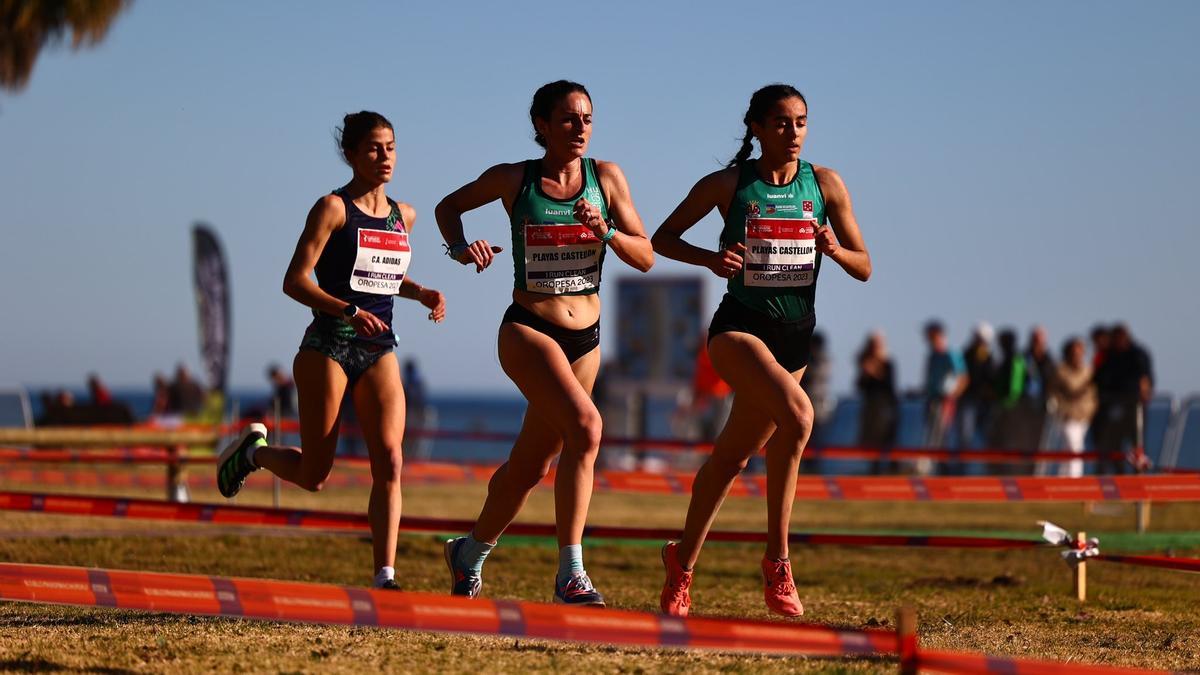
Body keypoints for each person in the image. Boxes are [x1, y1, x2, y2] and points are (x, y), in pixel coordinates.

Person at [650, 84, 870, 617]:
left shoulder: (825, 184)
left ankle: (681, 564)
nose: (792, 132)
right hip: (738, 332)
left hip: (795, 341)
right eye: (779, 123)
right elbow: (662, 238)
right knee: (799, 417)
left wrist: (834, 248)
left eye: (800, 122)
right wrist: (711, 259)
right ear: (755, 127)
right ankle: (778, 560)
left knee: (730, 458)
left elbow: (865, 265)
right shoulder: (729, 185)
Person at [435, 80, 653, 606]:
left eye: (587, 119)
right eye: (568, 120)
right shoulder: (514, 179)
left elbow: (644, 256)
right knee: (587, 426)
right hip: (529, 329)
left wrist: (606, 232)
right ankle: (570, 574)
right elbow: (448, 207)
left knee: (532, 466)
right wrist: (463, 250)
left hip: (587, 339)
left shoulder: (607, 178)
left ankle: (469, 552)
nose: (580, 129)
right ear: (541, 125)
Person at [215, 111, 447, 590]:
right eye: (373, 149)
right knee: (315, 474)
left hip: (379, 348)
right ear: (351, 155)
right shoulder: (332, 208)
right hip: (328, 346)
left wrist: (421, 291)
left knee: (391, 459)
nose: (385, 157)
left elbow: (379, 274)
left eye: (391, 147)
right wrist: (345, 311)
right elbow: (294, 281)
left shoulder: (405, 215)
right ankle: (253, 453)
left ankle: (385, 575)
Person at [1094, 324, 1153, 474]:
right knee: (1114, 446)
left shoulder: (1138, 354)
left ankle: (1138, 478)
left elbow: (1145, 379)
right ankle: (1120, 479)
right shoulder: (1109, 356)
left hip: (1134, 406)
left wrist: (1144, 393)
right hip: (1113, 406)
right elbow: (1101, 378)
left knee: (1137, 445)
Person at [1048, 337, 1097, 477]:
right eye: (1074, 352)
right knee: (1075, 448)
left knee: (1069, 450)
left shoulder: (1087, 370)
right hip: (1067, 416)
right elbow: (1059, 391)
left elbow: (1092, 394)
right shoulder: (1061, 371)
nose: (1077, 356)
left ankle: (1064, 480)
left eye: (1080, 352)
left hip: (1085, 417)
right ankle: (1075, 481)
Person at [922, 320, 966, 474]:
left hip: (944, 401)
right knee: (932, 437)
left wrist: (952, 396)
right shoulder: (932, 356)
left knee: (942, 437)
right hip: (932, 400)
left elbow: (963, 377)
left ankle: (943, 472)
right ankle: (934, 471)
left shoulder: (950, 354)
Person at [856, 331, 898, 474]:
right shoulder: (865, 362)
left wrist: (874, 373)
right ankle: (874, 467)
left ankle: (890, 467)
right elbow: (859, 385)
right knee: (871, 438)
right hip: (870, 405)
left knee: (885, 437)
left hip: (884, 406)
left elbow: (889, 385)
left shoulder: (888, 363)